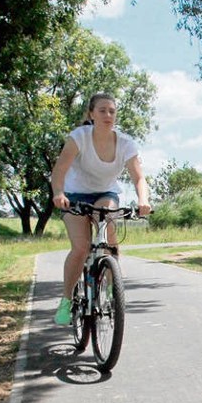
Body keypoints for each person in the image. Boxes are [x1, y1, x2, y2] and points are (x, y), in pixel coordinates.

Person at [51, 93, 151, 325]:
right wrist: (59, 193)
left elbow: (139, 178)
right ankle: (66, 300)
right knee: (81, 247)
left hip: (105, 193)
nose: (108, 115)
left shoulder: (126, 143)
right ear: (91, 114)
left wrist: (143, 199)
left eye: (112, 111)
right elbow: (59, 171)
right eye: (102, 110)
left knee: (107, 225)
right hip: (75, 194)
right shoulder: (79, 138)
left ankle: (109, 278)